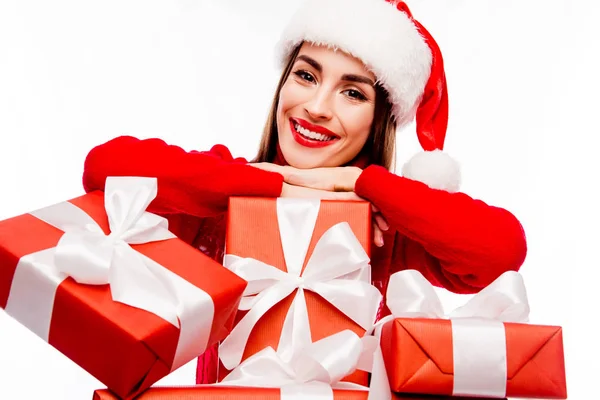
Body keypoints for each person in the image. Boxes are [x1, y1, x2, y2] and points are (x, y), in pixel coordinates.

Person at [82, 0, 527, 384]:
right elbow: (104, 168)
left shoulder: (387, 224)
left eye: (352, 93)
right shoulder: (219, 190)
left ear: (379, 121)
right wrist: (278, 185)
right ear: (283, 84)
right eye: (307, 76)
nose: (316, 108)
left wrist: (358, 183)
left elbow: (501, 249)